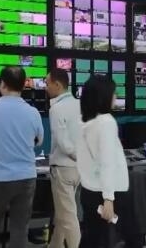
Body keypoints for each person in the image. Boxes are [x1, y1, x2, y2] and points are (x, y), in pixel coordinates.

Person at [0, 66, 44, 248]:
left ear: (3, 84)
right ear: (23, 85)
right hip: (26, 178)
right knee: (20, 229)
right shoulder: (33, 112)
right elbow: (39, 141)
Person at [77, 75, 144, 248]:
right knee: (132, 238)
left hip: (90, 191)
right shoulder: (106, 122)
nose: (116, 96)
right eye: (114, 93)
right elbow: (107, 163)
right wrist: (108, 198)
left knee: (92, 239)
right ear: (103, 96)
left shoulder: (84, 122)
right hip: (109, 193)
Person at [45, 69, 82, 248]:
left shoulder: (56, 109)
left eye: (47, 83)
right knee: (62, 214)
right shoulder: (80, 105)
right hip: (78, 170)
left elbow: (62, 142)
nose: (45, 87)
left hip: (63, 168)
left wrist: (75, 155)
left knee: (68, 218)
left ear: (58, 85)